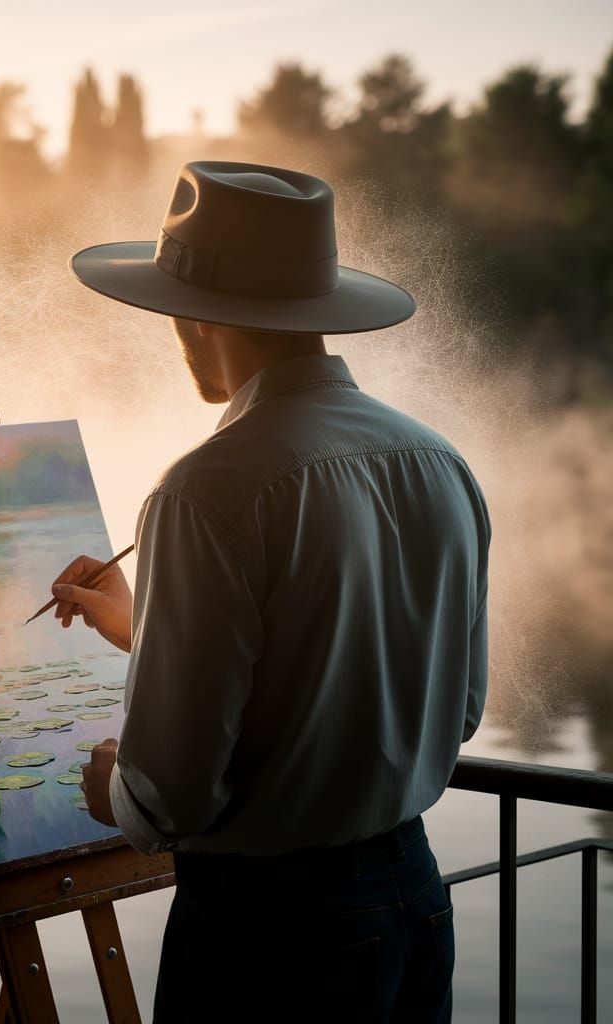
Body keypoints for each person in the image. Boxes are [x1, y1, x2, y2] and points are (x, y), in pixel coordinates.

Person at [50, 160, 491, 1023]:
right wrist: (148, 624)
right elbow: (451, 705)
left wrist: (114, 787)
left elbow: (172, 795)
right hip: (416, 901)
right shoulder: (440, 463)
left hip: (274, 935)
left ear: (194, 315)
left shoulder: (207, 489)